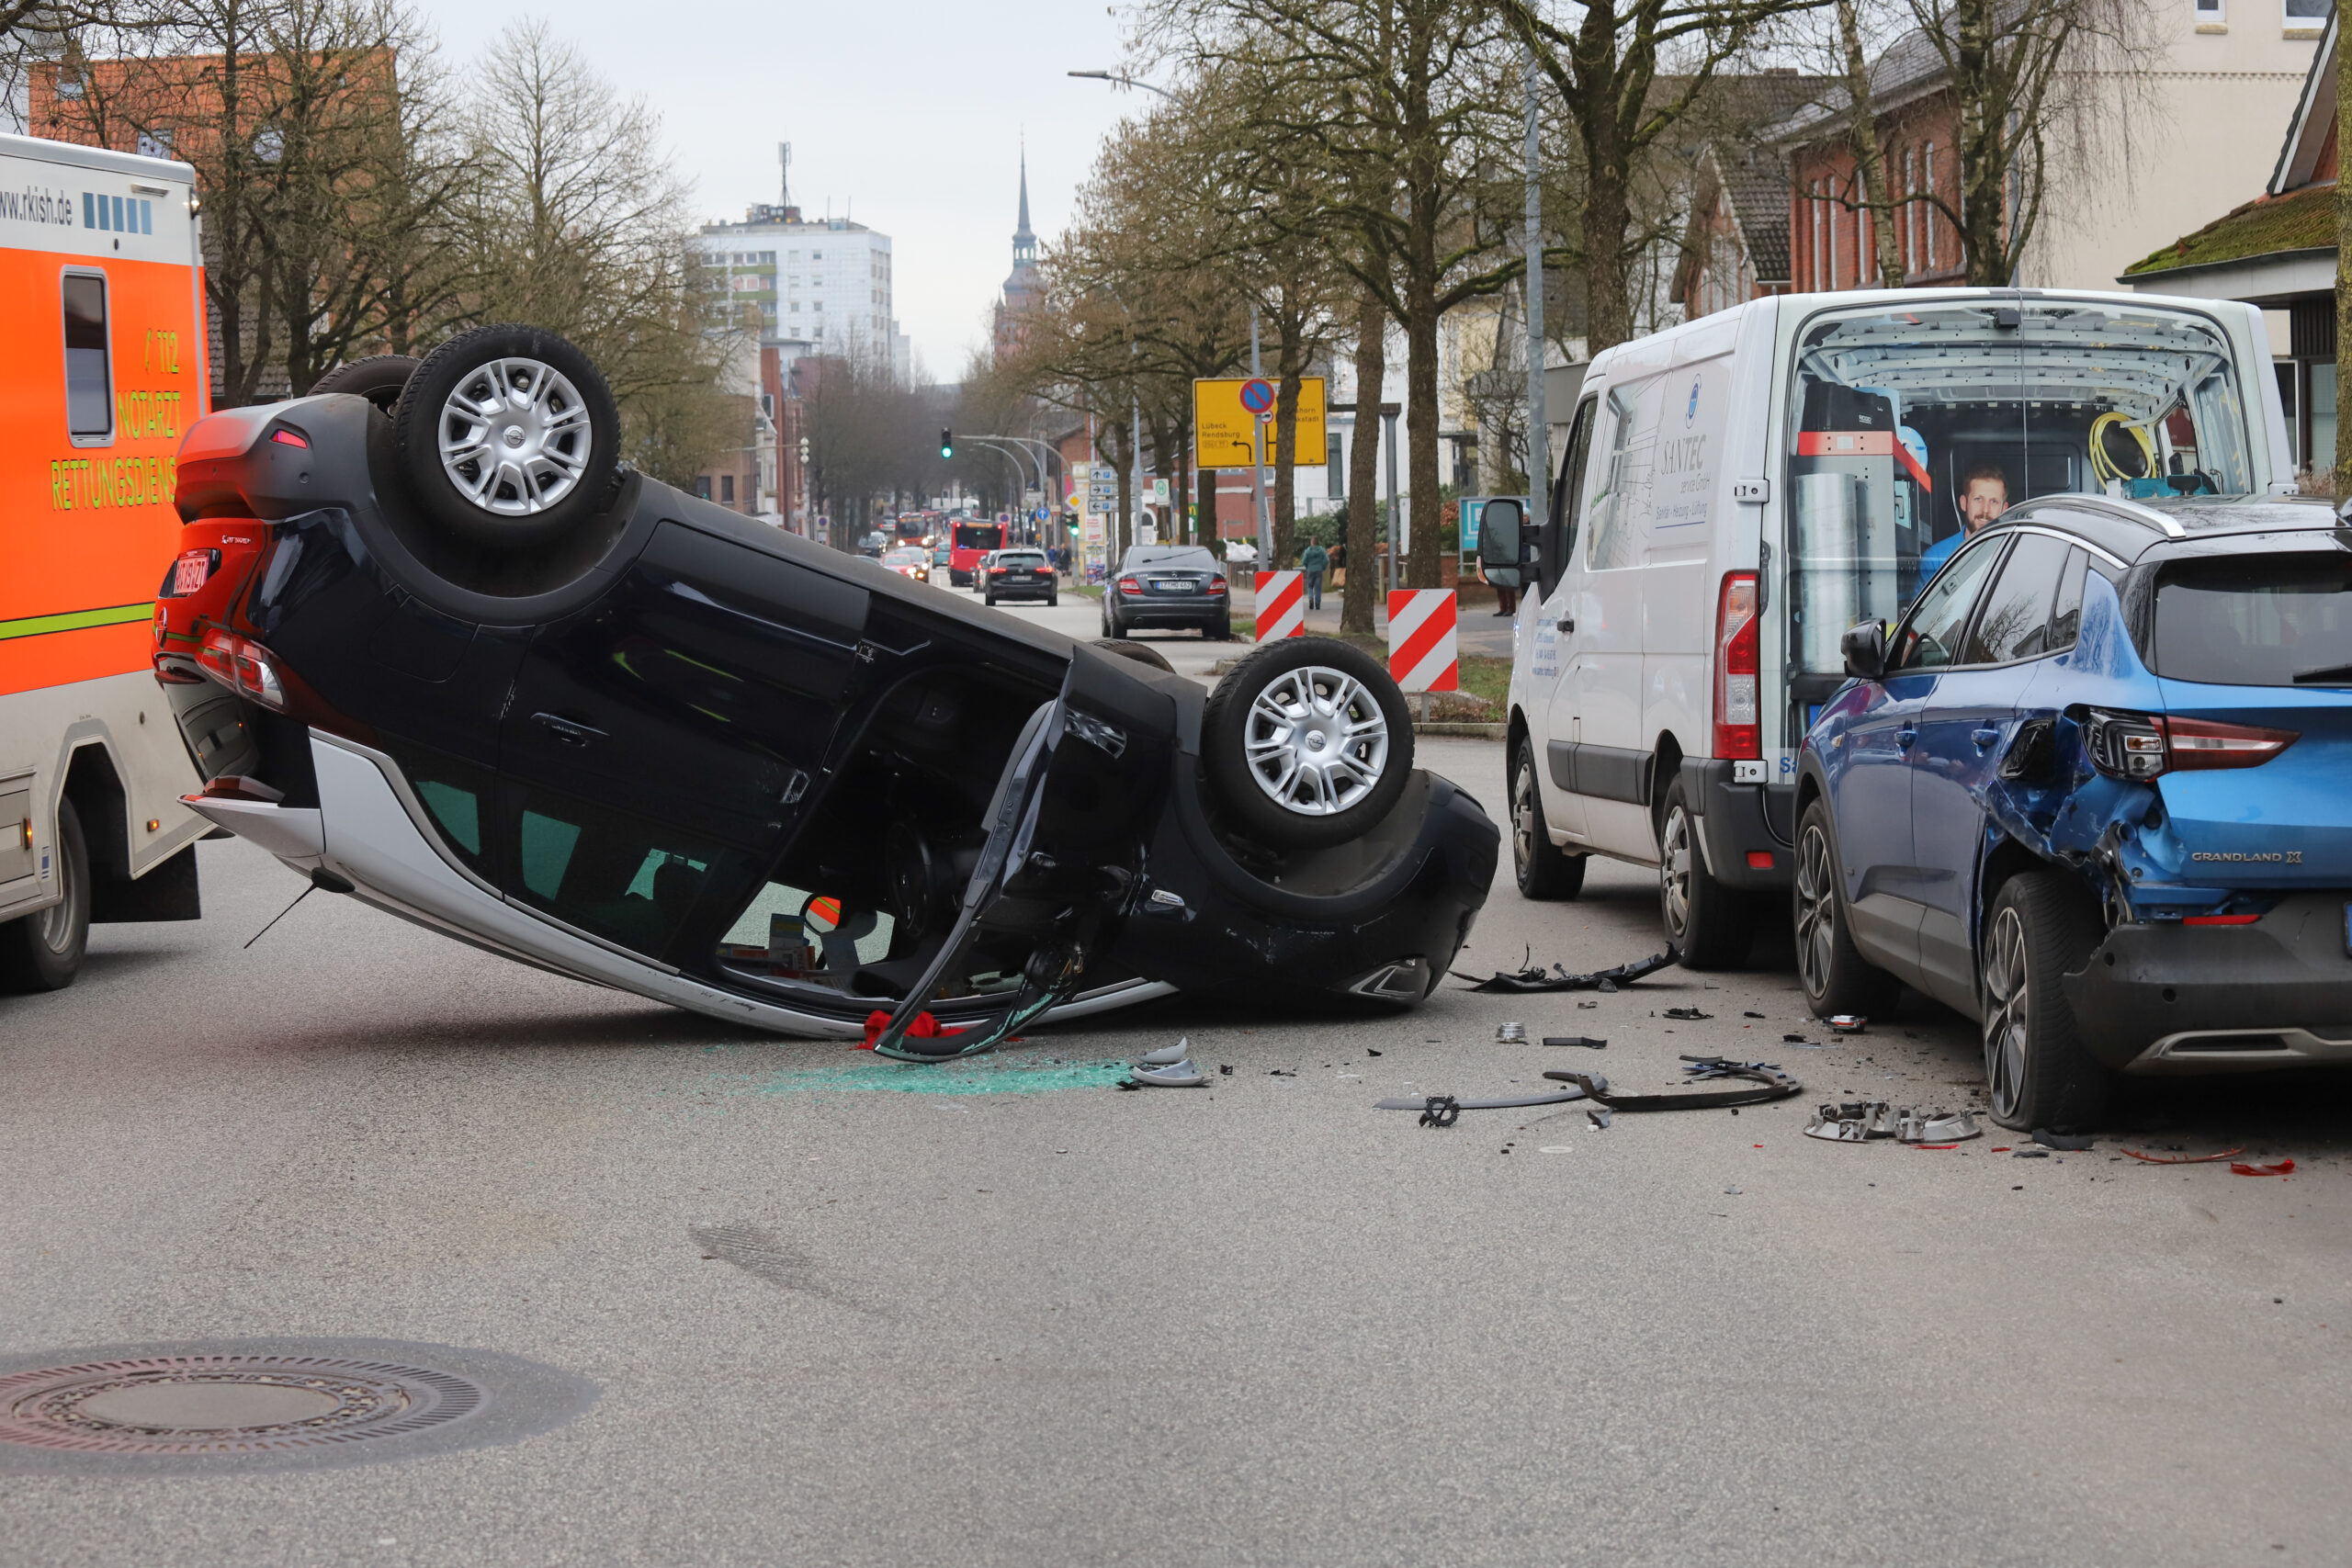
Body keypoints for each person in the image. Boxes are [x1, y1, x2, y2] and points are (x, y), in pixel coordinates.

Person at [1916, 462, 2009, 593]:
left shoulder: (2012, 555)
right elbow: (1923, 613)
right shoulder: (1936, 558)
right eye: (1978, 499)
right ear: (1964, 503)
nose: (1985, 510)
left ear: (2004, 509)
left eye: (1993, 501)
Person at [1300, 539, 1329, 610]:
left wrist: (1308, 567)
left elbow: (1304, 561)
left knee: (1310, 586)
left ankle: (1311, 599)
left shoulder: (1308, 551)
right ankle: (1318, 603)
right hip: (1319, 570)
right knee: (1318, 588)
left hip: (1310, 570)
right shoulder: (1322, 550)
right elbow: (1326, 560)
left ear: (1312, 543)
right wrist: (1323, 567)